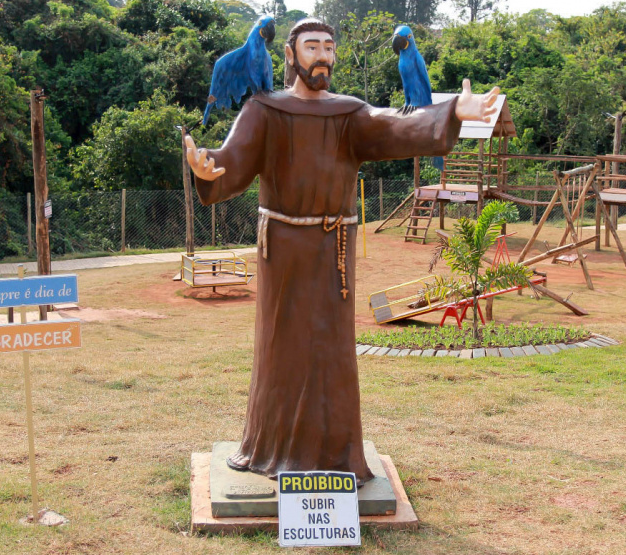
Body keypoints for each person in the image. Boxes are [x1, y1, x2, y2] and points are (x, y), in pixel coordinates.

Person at [185, 18, 501, 484]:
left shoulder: (350, 115)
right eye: (312, 47)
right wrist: (209, 169)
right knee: (283, 348)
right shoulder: (264, 110)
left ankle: (333, 453)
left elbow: (398, 126)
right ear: (290, 56)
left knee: (331, 351)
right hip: (283, 252)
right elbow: (234, 158)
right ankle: (271, 448)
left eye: (329, 48)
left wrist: (451, 111)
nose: (323, 56)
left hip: (334, 250)